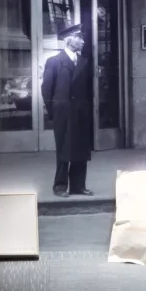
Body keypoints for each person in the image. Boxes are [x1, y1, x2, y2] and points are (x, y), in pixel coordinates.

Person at [41, 24, 93, 197]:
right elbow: (46, 90)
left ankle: (78, 186)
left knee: (81, 148)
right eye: (79, 38)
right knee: (63, 150)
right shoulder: (54, 61)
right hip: (63, 113)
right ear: (69, 40)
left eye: (83, 38)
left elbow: (88, 89)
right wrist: (55, 111)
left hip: (81, 112)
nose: (83, 42)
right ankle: (60, 186)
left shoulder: (84, 61)